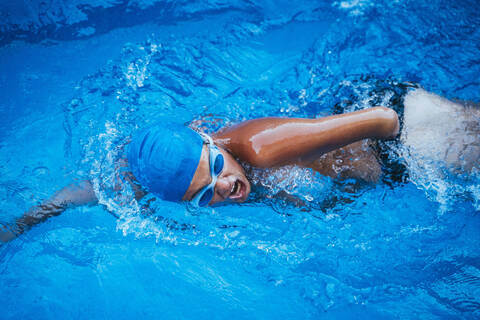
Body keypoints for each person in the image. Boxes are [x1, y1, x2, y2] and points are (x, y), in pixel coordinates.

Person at [1, 87, 478, 242]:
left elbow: (383, 118)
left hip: (411, 139)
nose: (225, 187)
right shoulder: (174, 166)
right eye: (203, 194)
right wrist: (18, 226)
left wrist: (428, 152)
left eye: (217, 167)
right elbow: (99, 186)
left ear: (212, 142)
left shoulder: (265, 149)